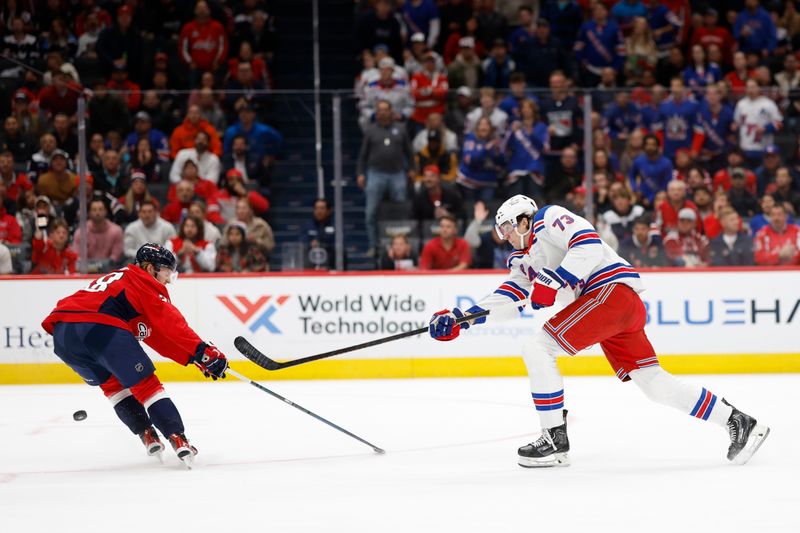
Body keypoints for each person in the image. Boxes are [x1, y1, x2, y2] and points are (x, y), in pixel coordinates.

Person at [428, 194, 769, 467]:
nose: (504, 237)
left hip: (609, 292)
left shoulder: (548, 218)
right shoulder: (525, 259)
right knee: (654, 384)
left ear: (522, 219)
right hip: (617, 306)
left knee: (538, 348)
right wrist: (463, 318)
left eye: (506, 228)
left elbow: (588, 242)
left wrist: (557, 278)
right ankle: (737, 420)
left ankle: (553, 439)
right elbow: (509, 296)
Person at [41, 242, 228, 466]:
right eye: (166, 272)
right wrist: (204, 353)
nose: (168, 279)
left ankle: (147, 434)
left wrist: (192, 357)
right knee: (147, 386)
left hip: (63, 334)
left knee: (113, 387)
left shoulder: (123, 280)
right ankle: (179, 439)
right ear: (150, 269)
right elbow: (170, 324)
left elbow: (153, 334)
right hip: (100, 326)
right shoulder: (143, 282)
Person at [356, 99, 414, 255]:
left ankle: (402, 247)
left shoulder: (401, 129)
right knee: (371, 212)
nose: (382, 112)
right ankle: (374, 246)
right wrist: (361, 173)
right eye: (379, 110)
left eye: (385, 109)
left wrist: (412, 169)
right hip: (375, 174)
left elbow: (409, 152)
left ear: (391, 111)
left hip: (397, 174)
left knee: (401, 211)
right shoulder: (370, 131)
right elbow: (363, 154)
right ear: (376, 113)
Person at [72, 197, 124, 267]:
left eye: (100, 209)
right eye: (94, 210)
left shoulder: (116, 231)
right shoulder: (81, 232)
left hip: (110, 271)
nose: (97, 212)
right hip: (86, 272)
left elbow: (116, 257)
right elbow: (77, 257)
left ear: (106, 211)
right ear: (89, 213)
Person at [628, 134, 673, 208]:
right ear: (644, 146)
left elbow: (666, 183)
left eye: (653, 145)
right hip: (641, 197)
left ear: (658, 147)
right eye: (647, 145)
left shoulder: (666, 163)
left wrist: (652, 198)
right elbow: (631, 176)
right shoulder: (638, 161)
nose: (650, 147)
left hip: (660, 198)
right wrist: (635, 189)